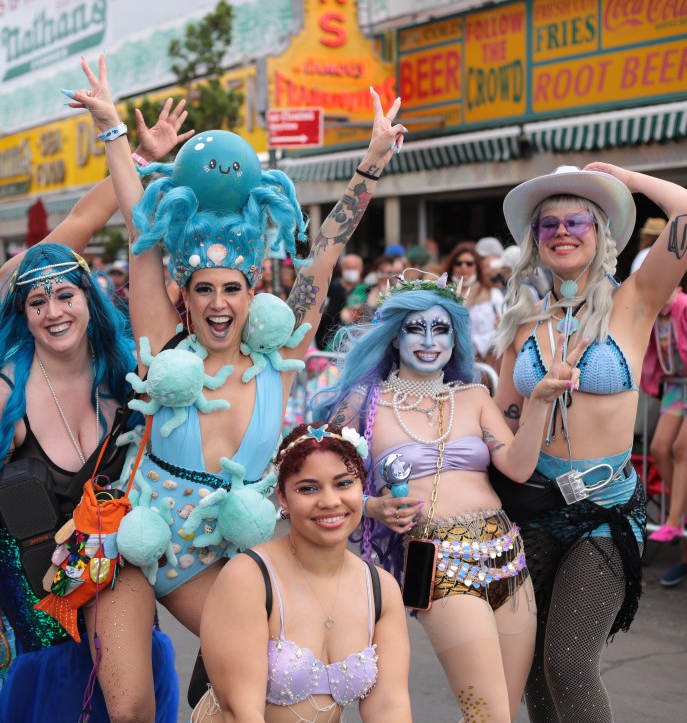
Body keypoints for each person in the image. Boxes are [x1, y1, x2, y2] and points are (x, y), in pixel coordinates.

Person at [72, 50, 403, 696]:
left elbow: (325, 255)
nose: (218, 303)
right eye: (204, 289)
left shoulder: (280, 362)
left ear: (252, 293)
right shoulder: (164, 353)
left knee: (266, 672)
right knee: (143, 703)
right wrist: (112, 129)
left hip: (231, 553)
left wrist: (370, 164)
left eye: (232, 288)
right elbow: (142, 232)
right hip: (147, 544)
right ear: (184, 295)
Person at [0, 99, 191, 721]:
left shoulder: (15, 283)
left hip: (19, 487)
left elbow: (85, 215)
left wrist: (138, 154)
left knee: (39, 651)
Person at [314, 274, 577, 721]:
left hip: (508, 556)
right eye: (415, 328)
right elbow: (317, 476)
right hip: (439, 564)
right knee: (488, 714)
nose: (429, 340)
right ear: (394, 336)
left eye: (441, 329)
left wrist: (538, 403)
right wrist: (372, 506)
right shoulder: (365, 402)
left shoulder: (474, 396)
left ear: (455, 339)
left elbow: (517, 466)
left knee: (499, 713)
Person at [0, 242, 179, 722]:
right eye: (38, 302)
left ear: (89, 299)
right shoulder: (0, 398)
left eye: (65, 296)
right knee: (61, 696)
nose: (53, 312)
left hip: (116, 566)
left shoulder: (125, 376)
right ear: (23, 314)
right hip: (37, 580)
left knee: (129, 691)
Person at [493, 164, 687, 722]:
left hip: (605, 514)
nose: (562, 232)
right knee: (532, 666)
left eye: (576, 220)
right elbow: (501, 425)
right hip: (534, 509)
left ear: (601, 234)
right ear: (534, 241)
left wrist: (628, 179)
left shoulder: (635, 302)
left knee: (570, 663)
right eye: (548, 224)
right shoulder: (524, 324)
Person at [194, 422, 411, 723]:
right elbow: (240, 712)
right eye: (308, 488)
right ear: (283, 498)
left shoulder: (380, 588)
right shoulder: (248, 577)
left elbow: (389, 707)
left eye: (343, 484)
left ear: (362, 488)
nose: (330, 501)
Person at [641, 281, 687, 544]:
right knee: (659, 448)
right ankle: (681, 510)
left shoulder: (683, 306)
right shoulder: (657, 313)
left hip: (682, 383)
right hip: (676, 386)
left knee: (681, 448)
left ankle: (673, 520)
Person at [447, 241, 504, 365]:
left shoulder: (492, 293)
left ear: (477, 266)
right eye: (458, 263)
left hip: (488, 363)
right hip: (453, 361)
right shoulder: (444, 294)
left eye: (469, 263)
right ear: (452, 266)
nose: (464, 267)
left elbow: (504, 329)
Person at [317, 254, 364, 350]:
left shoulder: (365, 289)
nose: (351, 271)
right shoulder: (330, 287)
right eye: (348, 268)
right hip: (326, 339)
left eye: (354, 268)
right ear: (342, 269)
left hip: (354, 341)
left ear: (361, 269)